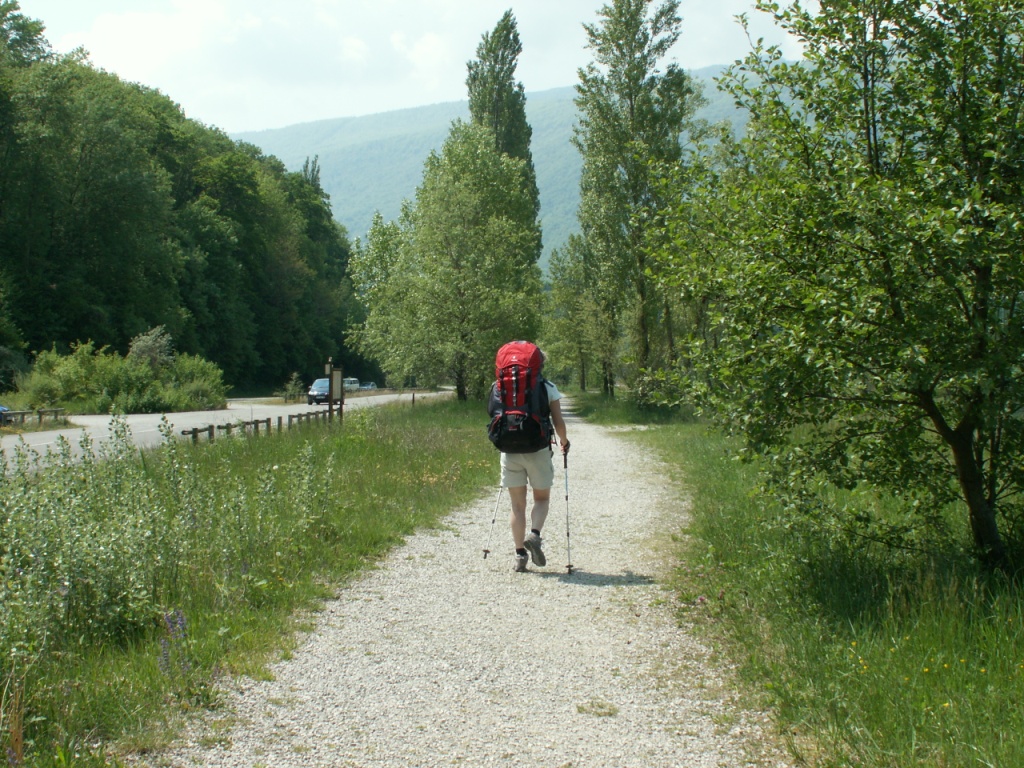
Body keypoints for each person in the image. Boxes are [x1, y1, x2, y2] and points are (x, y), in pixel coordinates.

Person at [497, 349, 570, 572]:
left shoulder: (499, 386)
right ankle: (535, 535)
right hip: (538, 449)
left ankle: (520, 556)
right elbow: (558, 423)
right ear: (539, 366)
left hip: (510, 450)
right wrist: (564, 442)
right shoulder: (548, 388)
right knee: (541, 499)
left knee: (517, 506)